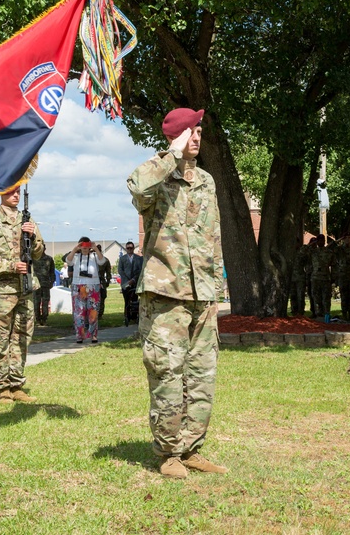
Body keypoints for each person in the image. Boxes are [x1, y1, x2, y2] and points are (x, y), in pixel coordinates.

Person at [127, 107, 227, 479]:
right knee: (167, 373)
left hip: (202, 295)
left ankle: (191, 447)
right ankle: (168, 453)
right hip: (164, 293)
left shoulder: (206, 181)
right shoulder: (156, 175)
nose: (197, 136)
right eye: (191, 130)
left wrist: (218, 289)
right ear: (176, 135)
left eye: (200, 130)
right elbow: (137, 188)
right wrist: (172, 152)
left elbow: (213, 237)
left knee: (201, 375)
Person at [0, 185, 45, 404]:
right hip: (0, 291)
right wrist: (10, 266)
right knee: (0, 339)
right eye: (10, 192)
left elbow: (39, 252)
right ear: (1, 194)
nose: (15, 196)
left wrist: (33, 235)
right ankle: (2, 387)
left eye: (18, 192)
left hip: (25, 288)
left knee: (22, 338)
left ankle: (17, 384)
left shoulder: (28, 220)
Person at [67, 238, 103, 343]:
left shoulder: (94, 256)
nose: (85, 248)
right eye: (83, 246)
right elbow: (68, 261)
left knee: (93, 311)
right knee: (79, 312)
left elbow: (102, 261)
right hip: (78, 286)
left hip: (93, 285)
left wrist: (95, 248)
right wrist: (75, 249)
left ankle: (93, 335)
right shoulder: (76, 257)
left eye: (87, 246)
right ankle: (80, 335)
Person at [118, 241, 143, 325]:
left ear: (133, 248)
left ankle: (134, 316)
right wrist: (127, 280)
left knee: (135, 300)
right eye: (128, 248)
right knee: (127, 300)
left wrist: (134, 280)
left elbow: (140, 271)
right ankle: (127, 316)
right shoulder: (122, 259)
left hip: (135, 283)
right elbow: (120, 270)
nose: (129, 249)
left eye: (131, 248)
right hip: (125, 283)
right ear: (126, 249)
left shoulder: (138, 258)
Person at [310, 234, 333, 321]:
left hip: (325, 278)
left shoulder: (329, 252)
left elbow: (334, 264)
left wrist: (333, 277)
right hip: (315, 278)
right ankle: (318, 315)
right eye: (319, 240)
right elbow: (302, 253)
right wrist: (311, 244)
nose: (321, 242)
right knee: (316, 298)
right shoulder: (312, 252)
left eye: (322, 240)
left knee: (326, 298)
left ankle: (326, 315)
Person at [32, 251, 56, 325]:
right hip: (36, 284)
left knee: (45, 301)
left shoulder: (49, 259)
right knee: (36, 302)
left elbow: (52, 271)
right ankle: (38, 319)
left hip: (45, 283)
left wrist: (52, 281)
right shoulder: (33, 258)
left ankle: (44, 319)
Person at [288, 238, 311, 317]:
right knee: (293, 296)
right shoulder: (289, 253)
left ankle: (301, 312)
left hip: (300, 278)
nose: (295, 245)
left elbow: (307, 259)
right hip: (292, 278)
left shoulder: (302, 253)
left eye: (296, 243)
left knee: (300, 296)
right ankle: (294, 312)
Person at [96, 244, 112, 319]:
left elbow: (108, 272)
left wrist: (107, 281)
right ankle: (97, 314)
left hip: (101, 281)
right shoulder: (93, 259)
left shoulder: (105, 260)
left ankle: (99, 314)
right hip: (95, 280)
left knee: (102, 297)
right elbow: (108, 272)